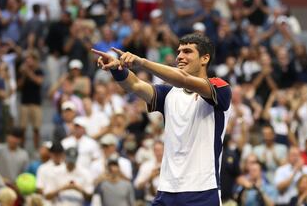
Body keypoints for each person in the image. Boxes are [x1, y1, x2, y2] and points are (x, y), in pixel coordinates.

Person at [92, 33, 232, 205]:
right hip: (166, 190)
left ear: (205, 58)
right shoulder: (169, 94)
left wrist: (141, 62)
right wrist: (117, 69)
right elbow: (135, 85)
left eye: (187, 51)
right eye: (179, 52)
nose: (180, 56)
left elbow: (184, 79)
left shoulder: (220, 88)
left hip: (202, 190)